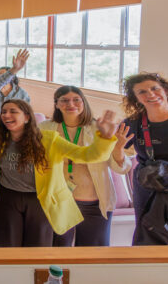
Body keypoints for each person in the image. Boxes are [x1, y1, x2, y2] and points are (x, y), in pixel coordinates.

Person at [0, 100, 118, 247]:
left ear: (26, 117)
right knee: (6, 247)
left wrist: (105, 138)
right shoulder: (0, 139)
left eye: (13, 111)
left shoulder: (49, 139)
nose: (7, 115)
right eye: (4, 112)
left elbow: (86, 155)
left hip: (40, 200)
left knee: (38, 249)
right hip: (8, 198)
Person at [40, 86, 134, 247]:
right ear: (56, 104)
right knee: (58, 252)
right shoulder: (44, 128)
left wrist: (118, 149)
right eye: (64, 100)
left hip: (94, 203)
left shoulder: (98, 128)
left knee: (93, 254)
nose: (71, 104)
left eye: (76, 99)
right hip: (60, 201)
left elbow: (121, 168)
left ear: (84, 103)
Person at [120, 73, 168, 245]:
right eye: (142, 92)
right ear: (136, 99)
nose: (151, 94)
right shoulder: (133, 123)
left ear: (166, 91)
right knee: (149, 232)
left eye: (155, 88)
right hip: (149, 188)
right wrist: (112, 143)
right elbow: (116, 158)